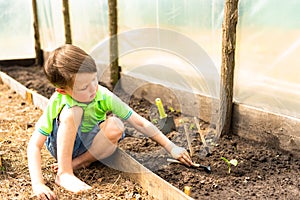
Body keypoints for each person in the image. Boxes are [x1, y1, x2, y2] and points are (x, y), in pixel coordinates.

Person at [27, 44, 193, 200]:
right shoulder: (59, 100)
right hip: (61, 145)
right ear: (63, 90)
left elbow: (139, 122)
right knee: (73, 113)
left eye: (94, 80)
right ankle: (64, 173)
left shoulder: (102, 95)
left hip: (90, 146)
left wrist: (171, 147)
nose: (93, 88)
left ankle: (79, 162)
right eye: (84, 87)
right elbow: (34, 145)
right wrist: (38, 184)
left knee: (116, 125)